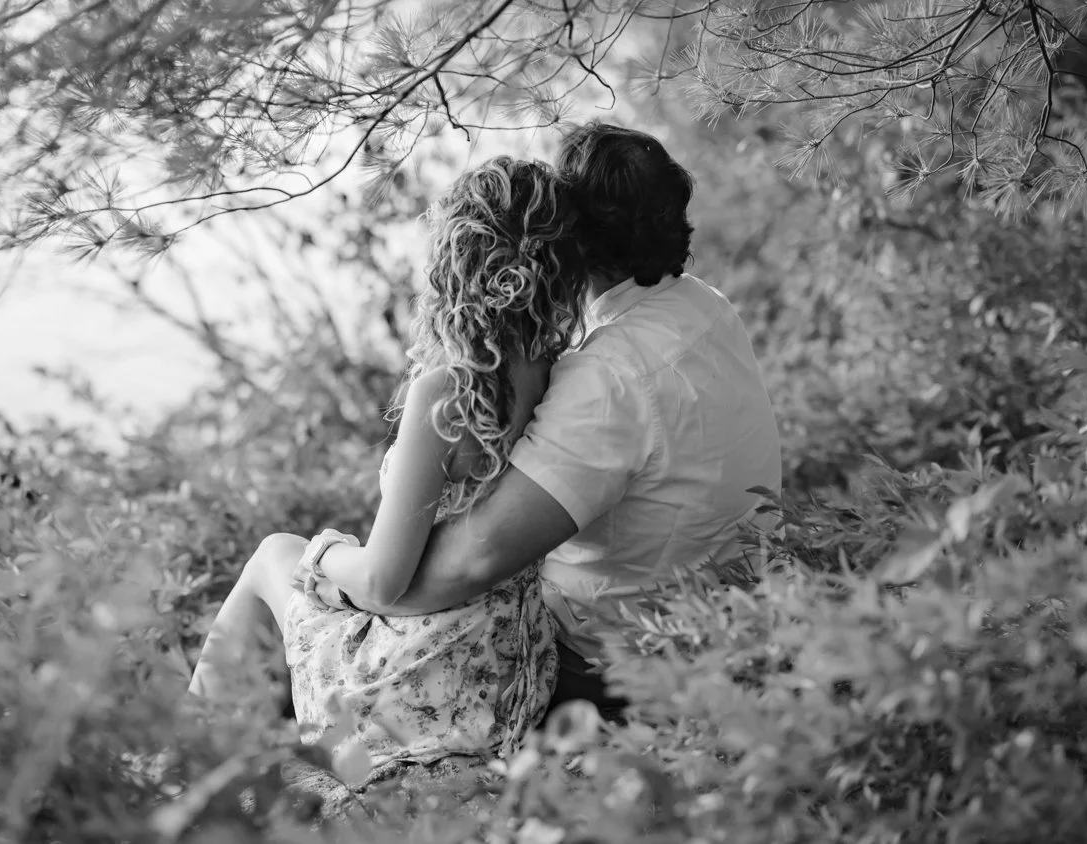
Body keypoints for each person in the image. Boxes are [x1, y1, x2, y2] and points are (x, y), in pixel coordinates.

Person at [305, 121, 783, 720]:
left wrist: (338, 578)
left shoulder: (607, 377)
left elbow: (469, 567)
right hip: (726, 621)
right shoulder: (704, 305)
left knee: (277, 563)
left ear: (577, 238)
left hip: (614, 668)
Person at [188, 156, 587, 775]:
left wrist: (322, 556)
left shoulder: (449, 393)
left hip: (425, 674)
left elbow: (381, 583)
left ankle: (184, 757)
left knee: (275, 554)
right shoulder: (562, 376)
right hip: (511, 667)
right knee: (294, 565)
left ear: (456, 261)